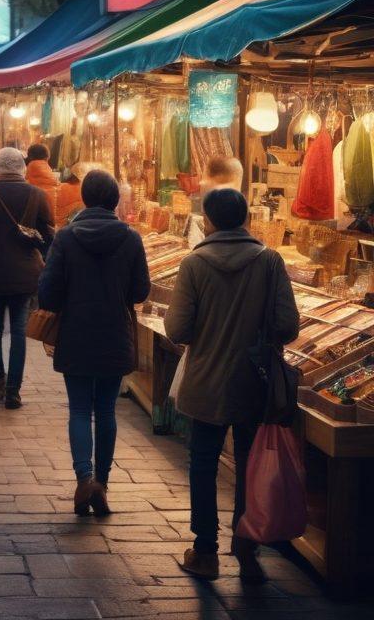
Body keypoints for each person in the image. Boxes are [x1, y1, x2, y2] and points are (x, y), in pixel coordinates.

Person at [163, 188, 298, 584]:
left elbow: (177, 328)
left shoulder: (195, 263)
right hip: (254, 383)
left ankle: (205, 550)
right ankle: (246, 540)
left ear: (209, 220)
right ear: (245, 219)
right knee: (248, 462)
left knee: (203, 462)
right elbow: (287, 326)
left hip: (205, 381)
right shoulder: (269, 261)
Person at [37, 170, 150, 516]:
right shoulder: (130, 239)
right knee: (105, 410)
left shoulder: (67, 238)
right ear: (114, 199)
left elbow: (48, 293)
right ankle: (101, 482)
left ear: (84, 198)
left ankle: (85, 478)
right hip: (114, 334)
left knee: (79, 410)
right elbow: (140, 291)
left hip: (76, 334)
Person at [0, 147, 54, 409]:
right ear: (21, 167)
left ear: (0, 167)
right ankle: (14, 390)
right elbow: (49, 237)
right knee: (18, 330)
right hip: (26, 273)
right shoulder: (37, 195)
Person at [25, 143, 59, 216]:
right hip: (51, 226)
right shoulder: (57, 184)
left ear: (29, 157)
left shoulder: (23, 183)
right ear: (47, 158)